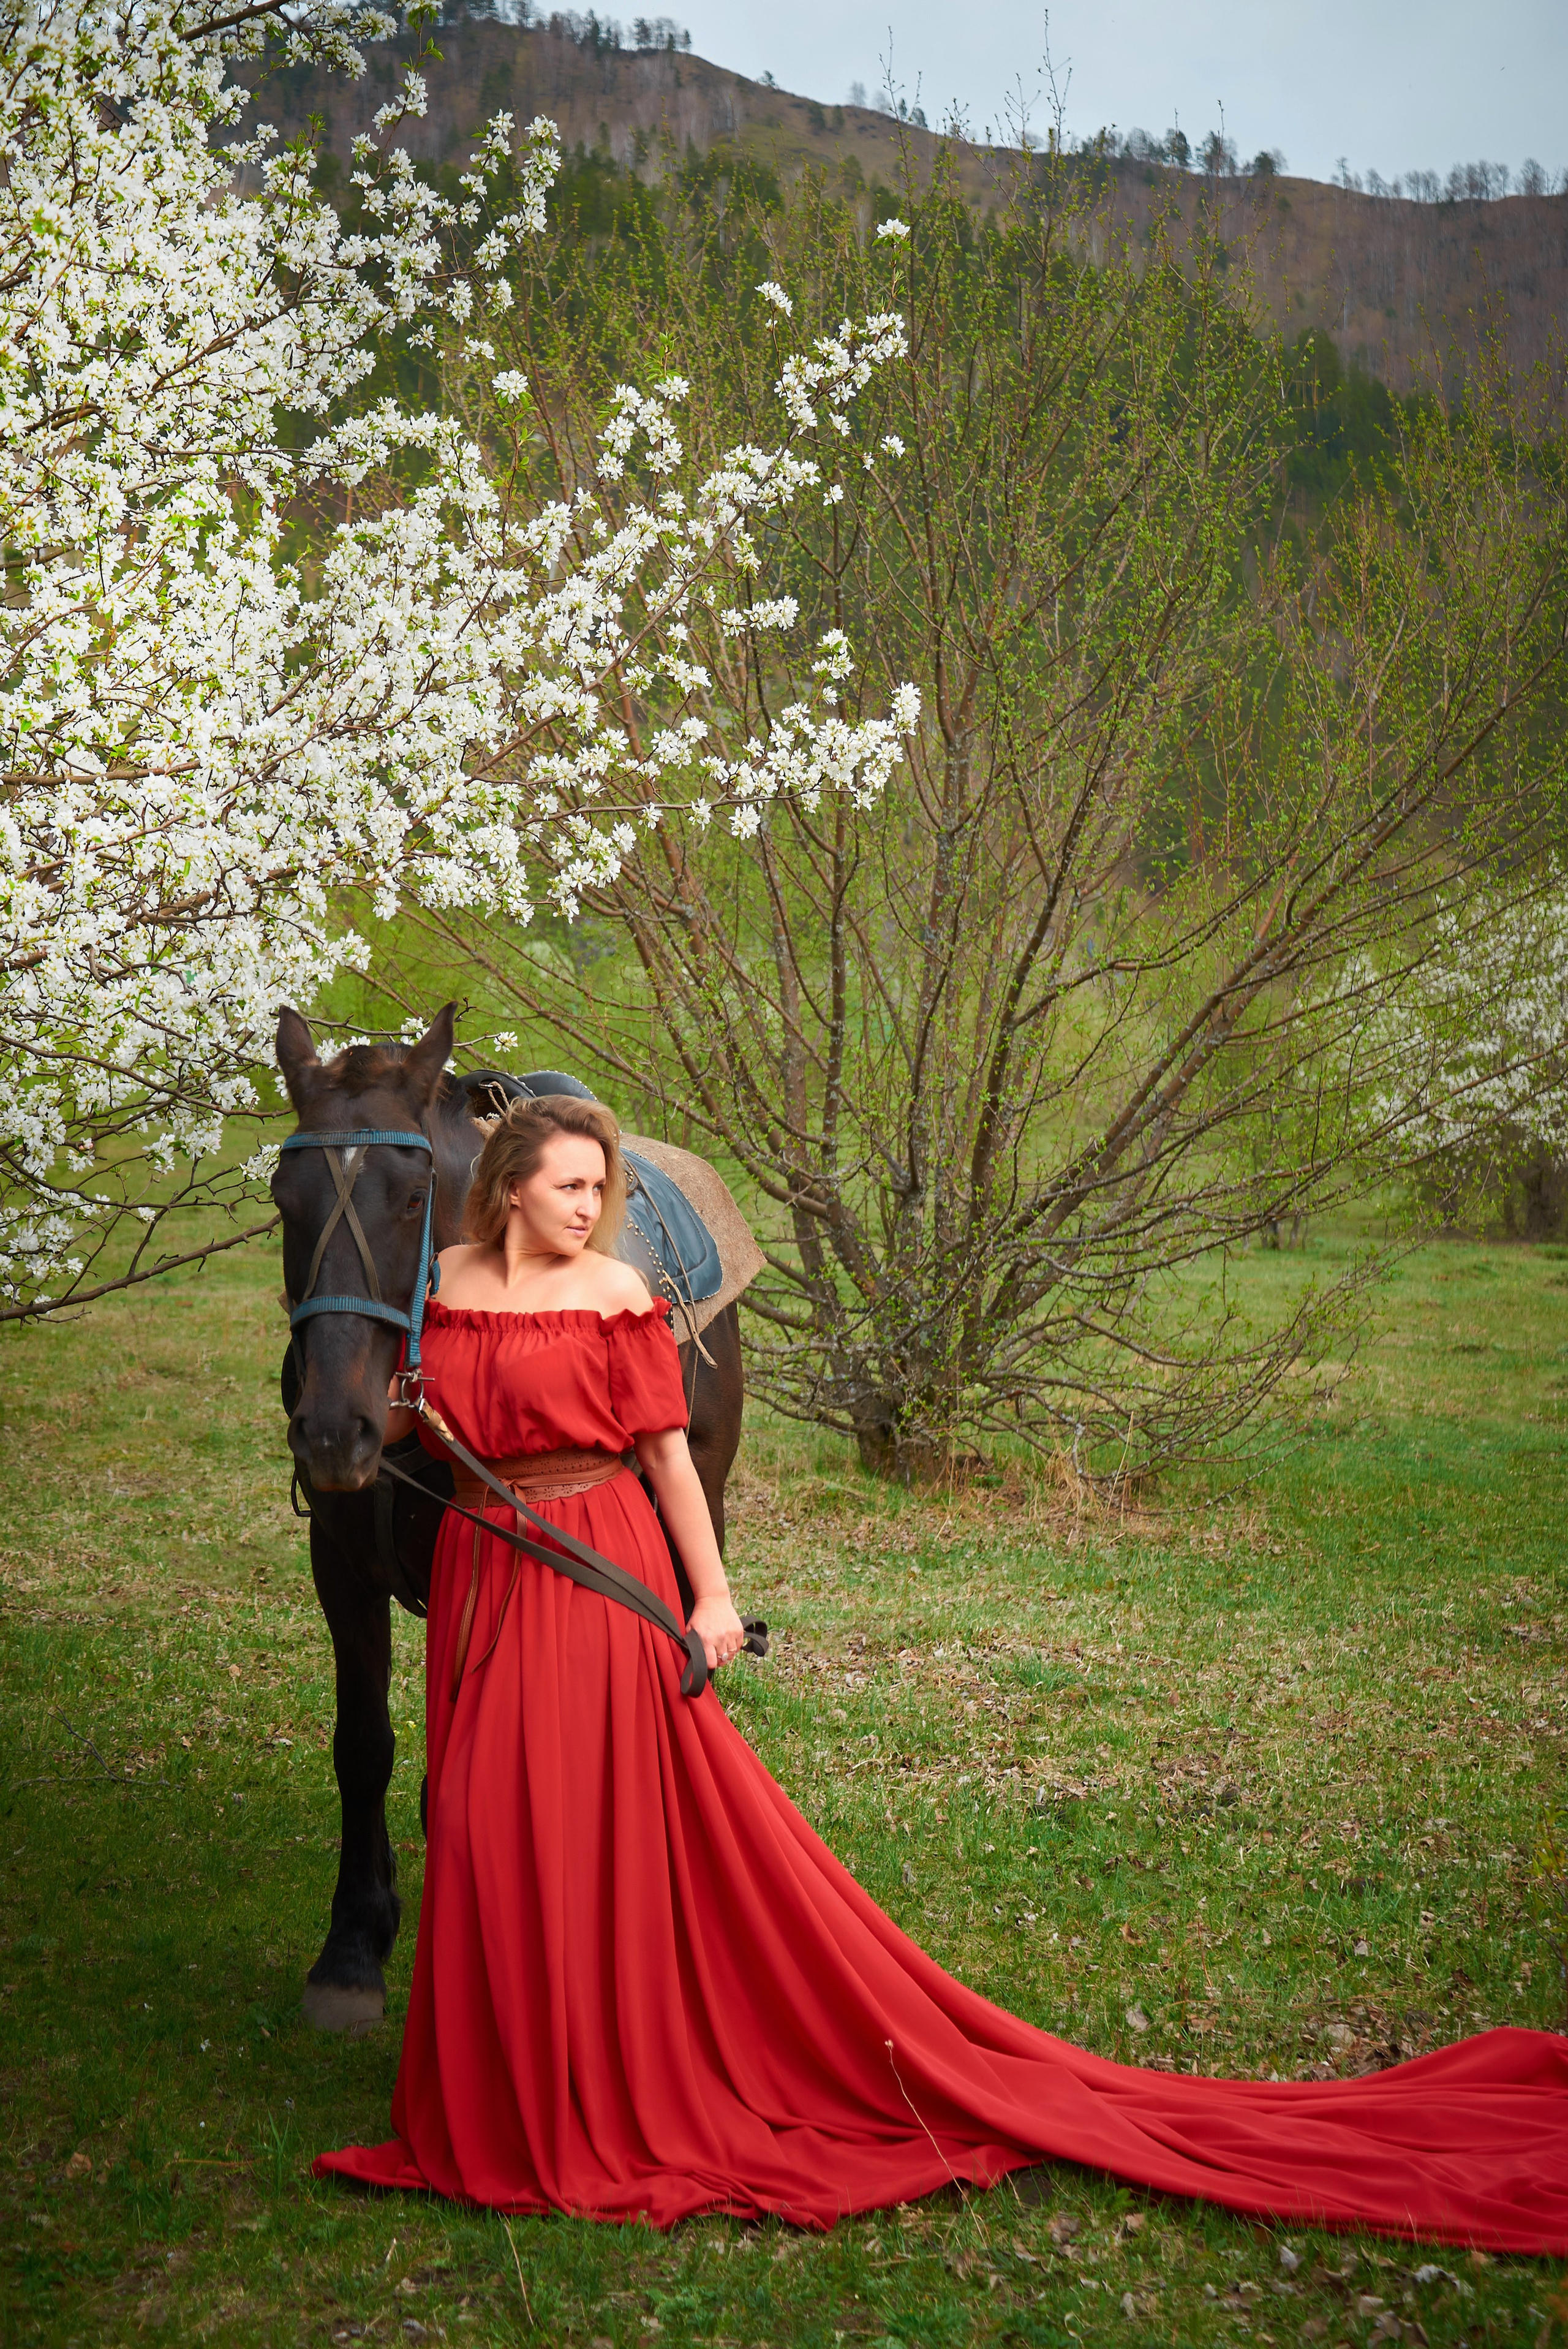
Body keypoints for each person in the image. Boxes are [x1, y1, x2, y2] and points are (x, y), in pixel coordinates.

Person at [315, 1096, 1568, 2249]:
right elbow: (419, 1415)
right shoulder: (445, 1285)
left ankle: (607, 2090)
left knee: (595, 1835)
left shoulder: (615, 1291)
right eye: (567, 1186)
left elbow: (669, 1459)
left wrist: (711, 1597)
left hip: (596, 1564)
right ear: (507, 1189)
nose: (588, 1207)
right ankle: (493, 2105)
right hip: (490, 1581)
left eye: (600, 1187)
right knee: (480, 1823)